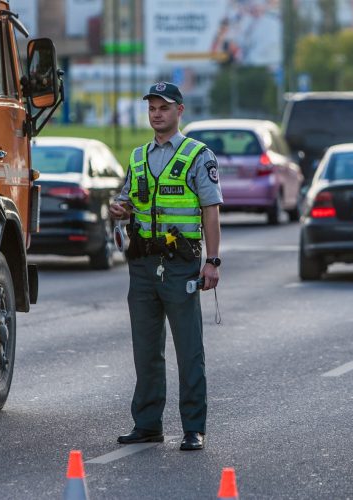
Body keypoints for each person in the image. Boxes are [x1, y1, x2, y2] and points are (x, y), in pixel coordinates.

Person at [109, 82, 223, 451]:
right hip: (142, 265)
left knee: (189, 349)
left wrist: (213, 262)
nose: (157, 113)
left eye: (164, 107)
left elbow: (211, 211)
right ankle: (147, 424)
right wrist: (119, 208)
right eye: (152, 108)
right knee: (145, 349)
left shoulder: (197, 155)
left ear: (180, 111)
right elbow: (127, 199)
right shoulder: (139, 155)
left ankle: (193, 427)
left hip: (181, 265)